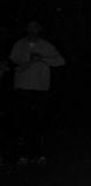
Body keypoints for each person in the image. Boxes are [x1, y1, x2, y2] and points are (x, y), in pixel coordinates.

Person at [8, 20, 65, 166]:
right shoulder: (19, 44)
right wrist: (28, 61)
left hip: (40, 88)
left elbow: (60, 61)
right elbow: (13, 63)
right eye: (29, 27)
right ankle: (23, 154)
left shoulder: (46, 45)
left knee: (38, 121)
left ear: (40, 29)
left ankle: (38, 153)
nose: (32, 30)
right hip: (22, 88)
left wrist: (42, 58)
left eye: (35, 27)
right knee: (22, 122)